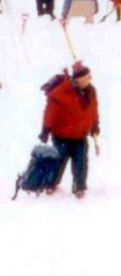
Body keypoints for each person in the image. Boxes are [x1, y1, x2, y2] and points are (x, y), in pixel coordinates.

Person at [39, 61, 100, 198]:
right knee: (59, 162)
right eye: (85, 79)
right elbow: (50, 111)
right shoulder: (62, 92)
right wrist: (46, 129)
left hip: (80, 135)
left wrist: (95, 124)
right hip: (62, 135)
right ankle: (51, 184)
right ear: (77, 80)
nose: (88, 81)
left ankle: (79, 187)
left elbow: (93, 109)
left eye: (89, 78)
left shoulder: (91, 91)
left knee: (81, 163)